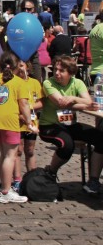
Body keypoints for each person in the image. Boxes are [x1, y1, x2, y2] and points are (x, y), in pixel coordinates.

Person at [38, 55, 103, 193]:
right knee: (67, 145)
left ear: (70, 73)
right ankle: (51, 171)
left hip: (69, 124)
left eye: (61, 71)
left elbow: (89, 101)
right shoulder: (48, 83)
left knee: (101, 138)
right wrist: (82, 104)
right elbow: (60, 102)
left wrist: (73, 98)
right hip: (49, 126)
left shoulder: (77, 83)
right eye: (55, 69)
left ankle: (93, 181)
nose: (57, 73)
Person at [0, 53, 34, 203]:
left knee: (4, 154)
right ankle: (6, 191)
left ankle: (5, 186)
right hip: (10, 121)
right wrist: (29, 122)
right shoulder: (19, 83)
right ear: (16, 66)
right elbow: (24, 105)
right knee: (10, 156)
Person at [12, 53, 43, 183]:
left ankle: (32, 179)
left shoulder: (34, 83)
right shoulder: (13, 83)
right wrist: (20, 113)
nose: (20, 68)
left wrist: (28, 107)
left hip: (32, 121)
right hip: (18, 122)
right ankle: (17, 180)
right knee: (18, 150)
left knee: (30, 150)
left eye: (22, 65)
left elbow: (41, 103)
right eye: (18, 66)